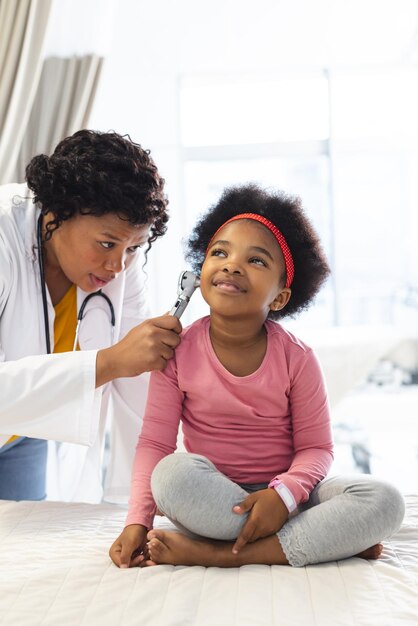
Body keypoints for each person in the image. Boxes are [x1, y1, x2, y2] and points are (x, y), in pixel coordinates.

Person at [109, 183, 405, 568]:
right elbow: (155, 442)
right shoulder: (176, 350)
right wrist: (138, 520)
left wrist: (283, 497)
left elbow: (317, 450)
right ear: (201, 272)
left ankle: (221, 554)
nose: (232, 264)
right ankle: (317, 539)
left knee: (383, 500)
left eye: (257, 261)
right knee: (170, 475)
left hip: (286, 497)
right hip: (216, 499)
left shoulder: (297, 358)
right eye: (220, 252)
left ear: (280, 297)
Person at [0, 129, 182, 503]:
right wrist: (109, 362)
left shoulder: (119, 263)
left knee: (23, 555)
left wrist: (147, 504)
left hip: (23, 434)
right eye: (106, 243)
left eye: (133, 247)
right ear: (57, 213)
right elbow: (118, 362)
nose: (117, 266)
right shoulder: (4, 238)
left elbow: (138, 388)